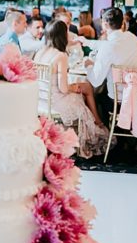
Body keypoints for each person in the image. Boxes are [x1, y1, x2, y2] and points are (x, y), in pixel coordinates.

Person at [34, 21, 108, 157]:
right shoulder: (60, 56)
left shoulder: (40, 53)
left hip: (41, 102)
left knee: (84, 88)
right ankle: (96, 126)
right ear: (62, 35)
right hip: (57, 102)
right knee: (82, 94)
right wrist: (73, 87)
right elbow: (63, 89)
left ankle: (96, 123)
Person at [85, 6, 137, 120]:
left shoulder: (107, 47)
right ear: (122, 23)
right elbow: (111, 45)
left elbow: (96, 81)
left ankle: (108, 131)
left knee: (95, 95)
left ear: (105, 24)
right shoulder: (132, 38)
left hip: (118, 101)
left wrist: (89, 65)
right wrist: (86, 42)